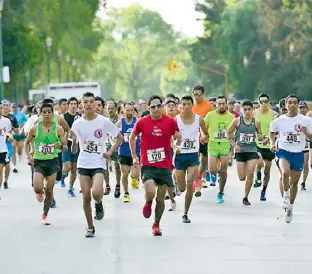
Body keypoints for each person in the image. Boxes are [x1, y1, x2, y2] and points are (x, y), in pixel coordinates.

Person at [129, 95, 181, 236]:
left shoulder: (170, 122)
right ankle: (148, 202)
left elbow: (177, 135)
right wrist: (134, 156)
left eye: (159, 106)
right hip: (148, 164)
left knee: (161, 197)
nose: (156, 109)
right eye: (153, 107)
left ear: (162, 106)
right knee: (151, 191)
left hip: (164, 165)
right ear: (148, 108)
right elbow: (132, 137)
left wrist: (177, 142)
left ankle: (156, 224)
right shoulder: (142, 122)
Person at [270, 95, 312, 223]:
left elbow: (311, 137)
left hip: (298, 153)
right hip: (284, 151)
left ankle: (290, 208)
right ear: (286, 105)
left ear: (298, 105)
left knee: (294, 183)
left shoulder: (306, 120)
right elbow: (272, 132)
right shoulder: (279, 120)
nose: (292, 105)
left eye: (295, 103)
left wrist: (305, 133)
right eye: (290, 103)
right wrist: (272, 143)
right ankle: (285, 196)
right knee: (285, 172)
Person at [25, 102, 67, 225]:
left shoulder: (58, 129)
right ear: (40, 114)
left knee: (50, 190)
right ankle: (40, 191)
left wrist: (60, 146)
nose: (47, 114)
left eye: (49, 112)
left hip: (53, 162)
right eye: (44, 112)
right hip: (39, 162)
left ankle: (44, 215)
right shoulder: (35, 128)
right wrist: (29, 156)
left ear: (52, 113)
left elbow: (65, 147)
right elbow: (27, 143)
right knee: (37, 188)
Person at [174, 95, 208, 223]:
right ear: (180, 106)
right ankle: (177, 186)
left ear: (192, 105)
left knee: (189, 183)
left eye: (188, 104)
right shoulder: (175, 120)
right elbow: (169, 136)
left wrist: (204, 137)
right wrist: (173, 145)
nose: (186, 106)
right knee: (182, 188)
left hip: (193, 155)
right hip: (179, 155)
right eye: (183, 104)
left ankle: (185, 213)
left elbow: (206, 133)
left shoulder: (199, 120)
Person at [227, 100, 266, 205]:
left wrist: (263, 139)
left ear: (252, 110)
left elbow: (260, 136)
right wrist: (234, 144)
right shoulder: (237, 121)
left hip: (252, 151)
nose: (247, 111)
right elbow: (228, 133)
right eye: (245, 109)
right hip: (240, 151)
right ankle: (245, 191)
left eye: (249, 109)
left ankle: (245, 196)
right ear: (242, 110)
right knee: (242, 177)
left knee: (250, 172)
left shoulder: (256, 122)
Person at [205, 96, 235, 203]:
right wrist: (204, 135)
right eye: (219, 104)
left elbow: (234, 131)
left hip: (225, 145)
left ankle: (220, 192)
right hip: (213, 144)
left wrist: (233, 144)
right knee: (212, 170)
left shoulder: (231, 117)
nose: (221, 106)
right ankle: (216, 171)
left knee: (224, 170)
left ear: (226, 104)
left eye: (223, 103)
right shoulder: (210, 115)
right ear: (215, 105)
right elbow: (203, 126)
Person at [253, 93, 277, 202]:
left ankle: (263, 190)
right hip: (257, 143)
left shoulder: (274, 114)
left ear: (268, 102)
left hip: (269, 144)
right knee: (259, 162)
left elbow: (277, 130)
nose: (263, 104)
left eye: (265, 101)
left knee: (267, 170)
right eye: (261, 101)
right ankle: (257, 176)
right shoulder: (254, 114)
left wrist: (269, 138)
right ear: (258, 102)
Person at [115, 102, 141, 203]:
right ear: (123, 111)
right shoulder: (120, 122)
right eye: (127, 110)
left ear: (134, 111)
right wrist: (114, 141)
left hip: (136, 151)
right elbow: (113, 134)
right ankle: (126, 193)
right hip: (123, 151)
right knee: (124, 173)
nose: (129, 112)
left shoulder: (137, 121)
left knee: (135, 174)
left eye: (131, 110)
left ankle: (134, 178)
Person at [192, 85, 213, 191]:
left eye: (199, 94)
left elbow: (214, 121)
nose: (197, 97)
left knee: (203, 162)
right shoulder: (191, 106)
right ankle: (196, 181)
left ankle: (201, 178)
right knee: (194, 161)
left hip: (205, 137)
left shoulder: (209, 106)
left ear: (203, 94)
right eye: (195, 94)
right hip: (192, 138)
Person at [60, 97, 81, 197]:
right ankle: (63, 175)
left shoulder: (80, 116)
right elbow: (58, 130)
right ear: (68, 105)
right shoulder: (63, 117)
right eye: (71, 103)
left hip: (77, 144)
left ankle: (70, 188)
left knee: (74, 168)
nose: (73, 105)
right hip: (66, 145)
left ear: (77, 105)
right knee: (68, 167)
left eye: (75, 104)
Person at [104, 101, 122, 198]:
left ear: (116, 109)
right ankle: (107, 185)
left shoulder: (119, 120)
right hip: (106, 144)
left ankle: (118, 185)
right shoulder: (104, 120)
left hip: (116, 145)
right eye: (108, 108)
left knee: (116, 165)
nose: (110, 110)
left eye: (112, 108)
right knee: (104, 165)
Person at [1, 100, 19, 189]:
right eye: (3, 105)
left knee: (7, 165)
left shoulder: (11, 118)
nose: (5, 107)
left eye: (6, 105)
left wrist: (11, 131)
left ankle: (6, 180)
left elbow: (16, 130)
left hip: (6, 143)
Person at [0, 101, 12, 199]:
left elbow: (8, 132)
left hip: (2, 149)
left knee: (1, 169)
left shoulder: (6, 121)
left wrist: (9, 136)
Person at [298, 101, 310, 191]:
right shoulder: (294, 119)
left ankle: (303, 182)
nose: (302, 109)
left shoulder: (309, 120)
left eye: (303, 108)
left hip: (306, 145)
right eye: (300, 108)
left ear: (307, 109)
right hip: (295, 145)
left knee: (305, 164)